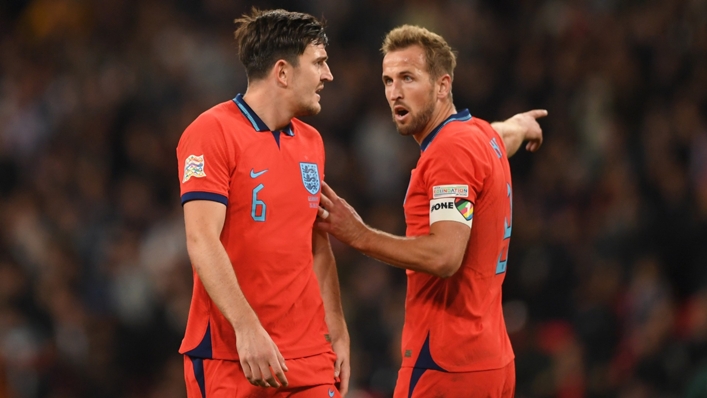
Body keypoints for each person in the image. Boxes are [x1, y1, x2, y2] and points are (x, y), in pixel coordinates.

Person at [315, 25, 546, 398]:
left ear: (442, 85)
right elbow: (503, 134)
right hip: (491, 361)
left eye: (408, 78)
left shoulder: (449, 153)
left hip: (447, 364)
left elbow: (444, 255)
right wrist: (523, 125)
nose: (395, 93)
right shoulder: (479, 135)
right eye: (388, 80)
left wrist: (358, 234)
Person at [176, 9, 350, 397]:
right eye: (319, 63)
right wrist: (246, 327)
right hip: (232, 355)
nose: (328, 75)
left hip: (309, 356)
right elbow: (202, 239)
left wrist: (336, 327)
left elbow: (317, 247)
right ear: (283, 72)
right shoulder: (211, 132)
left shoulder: (312, 143)